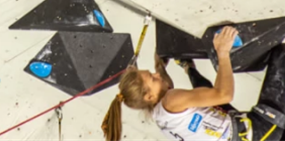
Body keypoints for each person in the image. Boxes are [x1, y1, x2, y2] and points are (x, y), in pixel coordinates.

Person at [102, 26, 285, 141]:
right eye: (152, 78)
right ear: (149, 96)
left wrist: (160, 67)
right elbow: (224, 94)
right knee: (281, 55)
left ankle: (188, 66)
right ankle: (189, 66)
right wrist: (223, 52)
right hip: (259, 133)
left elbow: (172, 88)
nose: (157, 76)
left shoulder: (162, 117)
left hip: (241, 133)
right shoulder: (172, 100)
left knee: (204, 96)